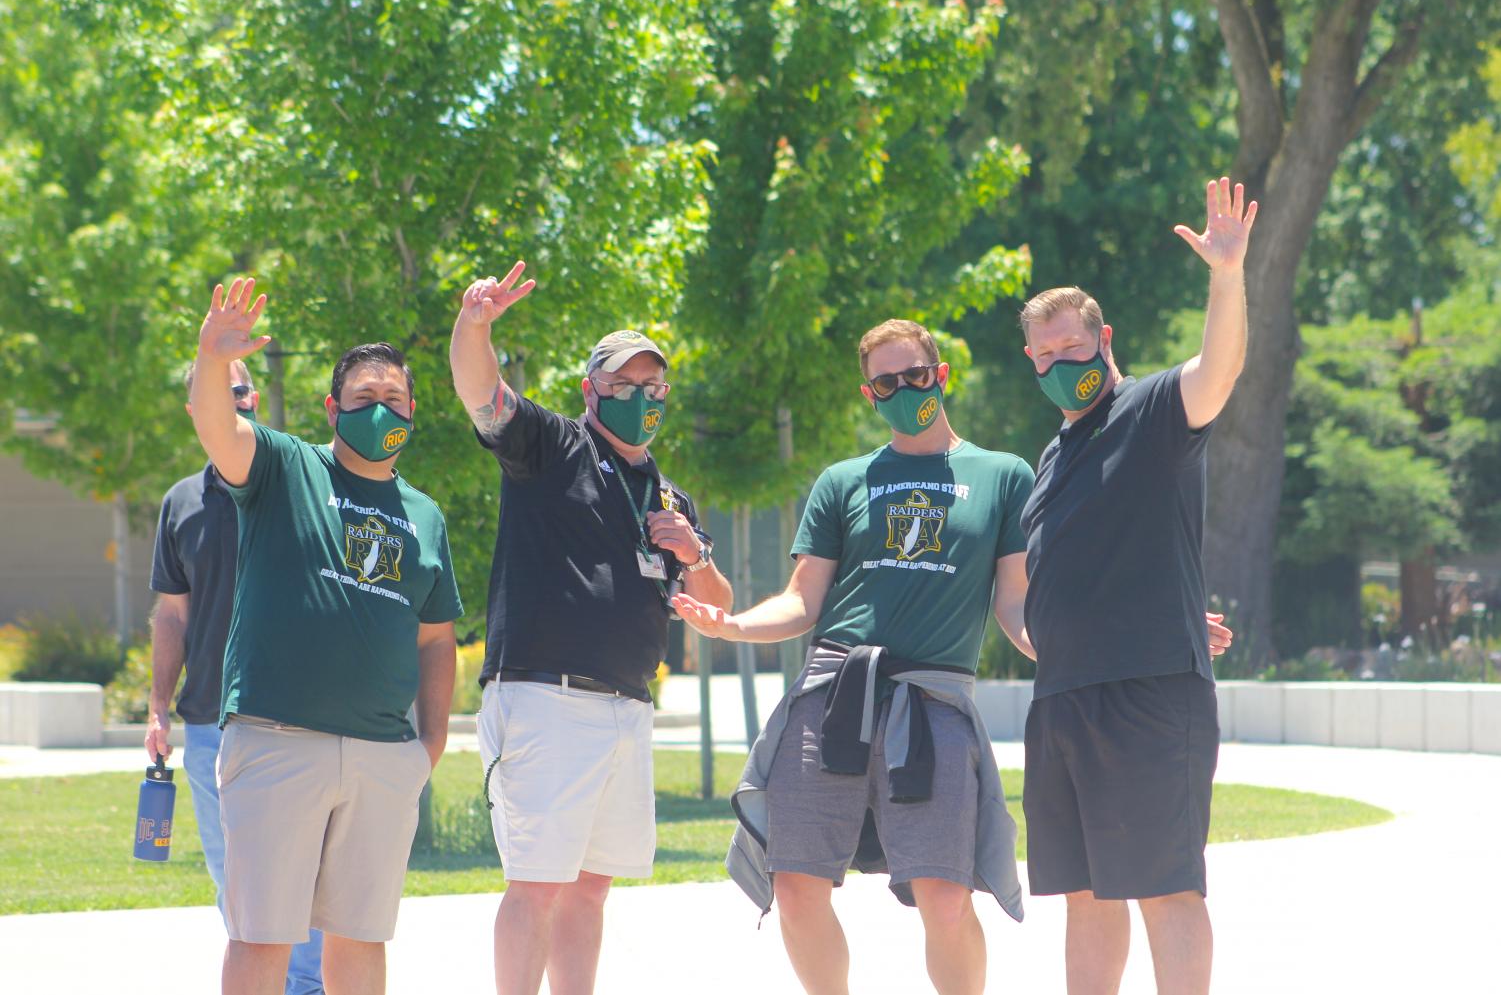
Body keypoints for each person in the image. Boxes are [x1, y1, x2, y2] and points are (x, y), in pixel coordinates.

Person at [672, 318, 1035, 995]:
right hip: (832, 693)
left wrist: (1064, 644)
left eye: (915, 376)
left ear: (941, 375)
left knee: (946, 893)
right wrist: (732, 625)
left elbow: (1015, 604)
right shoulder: (843, 480)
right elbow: (801, 599)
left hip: (934, 704)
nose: (904, 389)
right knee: (798, 882)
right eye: (886, 382)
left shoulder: (1002, 476)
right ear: (868, 394)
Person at [448, 261, 734, 995]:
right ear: (590, 390)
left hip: (626, 708)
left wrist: (693, 551)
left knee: (590, 888)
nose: (640, 399)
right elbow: (482, 396)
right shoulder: (552, 447)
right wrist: (474, 325)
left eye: (652, 388)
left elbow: (718, 603)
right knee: (536, 885)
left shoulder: (670, 494)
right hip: (547, 697)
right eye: (623, 386)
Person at [189, 277, 463, 995]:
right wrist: (211, 359)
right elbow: (219, 428)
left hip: (381, 756)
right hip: (278, 740)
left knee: (360, 939)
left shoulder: (425, 515)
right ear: (331, 407)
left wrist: (427, 745)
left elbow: (437, 638)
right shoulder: (284, 466)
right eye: (365, 398)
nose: (381, 410)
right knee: (262, 936)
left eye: (394, 400)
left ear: (412, 411)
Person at [1017, 176, 1256, 995]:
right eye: (1042, 354)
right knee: (1084, 895)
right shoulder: (1049, 458)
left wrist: (1225, 277)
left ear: (1102, 338)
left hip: (1147, 692)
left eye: (1069, 346)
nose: (1058, 363)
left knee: (1164, 888)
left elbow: (1217, 370)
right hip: (1062, 699)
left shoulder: (1153, 410)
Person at [145, 358, 324, 995]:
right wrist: (158, 707)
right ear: (196, 410)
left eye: (243, 388)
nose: (237, 399)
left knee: (306, 877)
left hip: (297, 718)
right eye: (219, 391)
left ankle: (308, 987)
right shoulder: (180, 503)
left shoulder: (299, 485)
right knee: (235, 882)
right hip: (210, 725)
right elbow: (171, 613)